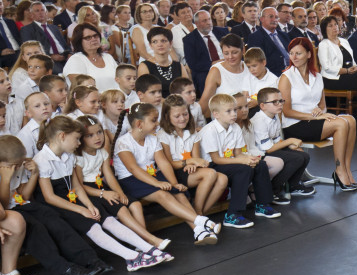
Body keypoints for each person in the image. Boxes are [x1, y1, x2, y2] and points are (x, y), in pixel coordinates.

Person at [34, 116, 172, 272]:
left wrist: (89, 205)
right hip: (56, 205)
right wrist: (81, 210)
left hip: (71, 198)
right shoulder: (42, 159)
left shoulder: (69, 155)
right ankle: (131, 257)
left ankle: (147, 248)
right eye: (77, 139)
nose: (79, 143)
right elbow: (49, 197)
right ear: (62, 136)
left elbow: (77, 187)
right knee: (94, 227)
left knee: (108, 219)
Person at [0, 134, 105, 275]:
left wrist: (34, 174)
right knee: (35, 227)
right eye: (13, 165)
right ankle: (63, 269)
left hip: (20, 204)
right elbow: (2, 207)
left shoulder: (18, 166)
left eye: (19, 164)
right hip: (8, 211)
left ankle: (89, 259)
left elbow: (23, 195)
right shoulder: (5, 172)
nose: (17, 168)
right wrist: (5, 179)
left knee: (51, 217)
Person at [112, 103, 220, 244]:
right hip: (131, 180)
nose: (157, 123)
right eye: (153, 120)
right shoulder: (123, 142)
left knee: (179, 193)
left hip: (151, 175)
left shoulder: (152, 138)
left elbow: (163, 162)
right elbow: (134, 169)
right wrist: (157, 183)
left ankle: (198, 231)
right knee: (162, 194)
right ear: (139, 123)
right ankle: (202, 221)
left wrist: (174, 183)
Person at [278, 37, 357, 191]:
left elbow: (322, 106)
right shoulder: (286, 77)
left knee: (351, 119)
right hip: (294, 125)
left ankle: (346, 169)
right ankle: (339, 171)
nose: (294, 57)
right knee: (341, 123)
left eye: (299, 53)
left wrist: (319, 111)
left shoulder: (317, 76)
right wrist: (314, 116)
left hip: (313, 121)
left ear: (309, 55)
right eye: (291, 53)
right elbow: (286, 111)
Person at [198, 93, 278, 229]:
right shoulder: (209, 131)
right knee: (244, 169)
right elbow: (216, 159)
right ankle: (232, 214)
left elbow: (238, 154)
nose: (234, 114)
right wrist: (242, 162)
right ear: (216, 114)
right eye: (229, 111)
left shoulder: (235, 127)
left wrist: (249, 159)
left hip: (229, 161)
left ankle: (262, 205)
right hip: (212, 165)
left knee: (259, 164)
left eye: (234, 110)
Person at [247, 86, 312, 204]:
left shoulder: (275, 115)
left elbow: (277, 141)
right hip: (261, 153)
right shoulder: (259, 121)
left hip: (271, 148)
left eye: (281, 101)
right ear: (262, 106)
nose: (280, 104)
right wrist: (290, 141)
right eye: (274, 102)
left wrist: (291, 146)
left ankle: (293, 185)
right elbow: (268, 149)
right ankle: (272, 189)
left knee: (303, 155)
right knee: (296, 158)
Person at [199, 34, 254, 116]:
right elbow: (204, 103)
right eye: (226, 53)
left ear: (243, 51)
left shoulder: (249, 67)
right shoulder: (216, 71)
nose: (230, 57)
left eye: (234, 52)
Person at [63, 23, 120, 91]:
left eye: (95, 36)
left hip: (116, 98)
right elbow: (80, 89)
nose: (94, 39)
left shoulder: (108, 57)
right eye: (88, 38)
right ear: (79, 41)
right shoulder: (76, 60)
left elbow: (121, 80)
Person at [182, 8, 228, 88]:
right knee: (201, 77)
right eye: (204, 21)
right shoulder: (189, 39)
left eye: (209, 19)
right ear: (197, 24)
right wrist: (212, 64)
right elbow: (192, 63)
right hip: (206, 70)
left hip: (228, 64)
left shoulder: (223, 32)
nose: (209, 23)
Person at [19, 1, 70, 71]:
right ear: (31, 15)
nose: (41, 13)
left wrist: (69, 54)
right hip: (47, 60)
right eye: (37, 11)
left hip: (64, 57)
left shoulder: (54, 28)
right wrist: (50, 56)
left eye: (42, 10)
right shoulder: (27, 29)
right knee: (61, 72)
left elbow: (65, 45)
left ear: (46, 13)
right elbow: (30, 50)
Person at [246, 7, 291, 76]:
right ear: (261, 19)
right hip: (274, 74)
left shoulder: (284, 35)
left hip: (292, 70)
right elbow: (259, 61)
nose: (274, 20)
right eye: (271, 16)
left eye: (276, 17)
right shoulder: (255, 37)